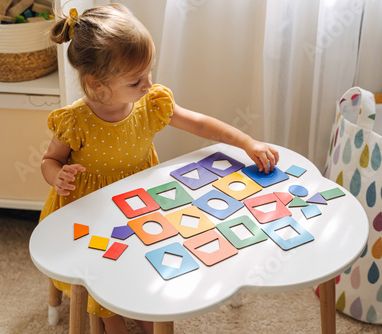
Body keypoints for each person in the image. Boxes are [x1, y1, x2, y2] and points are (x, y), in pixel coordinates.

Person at [39, 4, 279, 334]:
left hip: (139, 204)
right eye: (136, 80)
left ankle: (143, 308)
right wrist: (57, 176)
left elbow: (201, 124)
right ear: (97, 84)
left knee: (147, 270)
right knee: (106, 285)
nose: (148, 84)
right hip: (90, 210)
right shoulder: (75, 121)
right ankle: (111, 315)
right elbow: (49, 160)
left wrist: (247, 142)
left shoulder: (149, 104)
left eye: (149, 73)